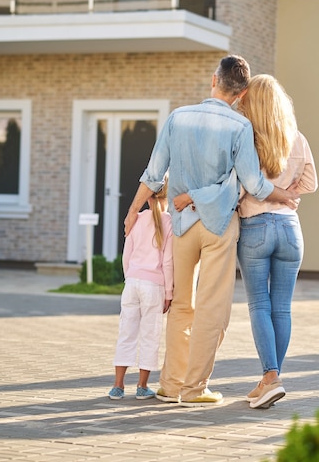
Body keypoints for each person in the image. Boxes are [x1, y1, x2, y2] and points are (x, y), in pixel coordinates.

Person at [124, 55, 299, 407]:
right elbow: (254, 184)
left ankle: (171, 384)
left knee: (181, 305)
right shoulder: (240, 127)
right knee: (213, 309)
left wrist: (133, 210)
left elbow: (154, 172)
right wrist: (286, 195)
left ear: (212, 81)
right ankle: (194, 389)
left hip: (182, 225)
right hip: (219, 226)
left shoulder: (178, 117)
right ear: (242, 93)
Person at [236, 74, 318, 409]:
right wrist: (289, 195)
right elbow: (311, 183)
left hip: (255, 227)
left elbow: (244, 188)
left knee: (260, 305)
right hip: (290, 229)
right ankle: (270, 381)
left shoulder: (247, 140)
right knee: (281, 307)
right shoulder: (296, 138)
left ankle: (271, 378)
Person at [108, 178, 173, 400]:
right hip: (154, 286)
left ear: (148, 197)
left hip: (132, 283)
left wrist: (130, 278)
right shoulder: (169, 222)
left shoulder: (136, 219)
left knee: (126, 332)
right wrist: (169, 293)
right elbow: (167, 262)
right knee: (149, 334)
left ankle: (118, 386)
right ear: (167, 197)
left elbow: (127, 255)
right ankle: (142, 386)